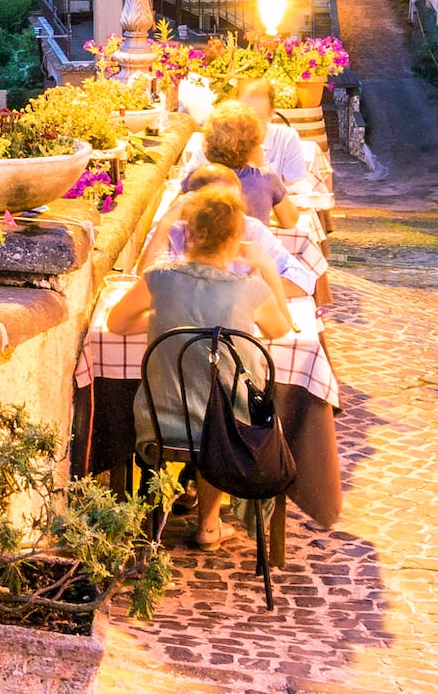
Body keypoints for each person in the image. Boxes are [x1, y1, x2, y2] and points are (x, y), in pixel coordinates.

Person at [106, 183, 294, 547]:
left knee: (206, 404)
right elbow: (281, 328)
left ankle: (153, 518)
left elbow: (117, 323)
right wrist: (266, 268)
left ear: (189, 232)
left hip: (162, 423)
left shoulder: (158, 279)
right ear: (236, 236)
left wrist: (168, 323)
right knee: (220, 407)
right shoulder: (249, 289)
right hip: (230, 432)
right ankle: (208, 525)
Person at [147, 164, 313, 300]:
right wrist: (165, 224)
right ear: (191, 203)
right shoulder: (172, 231)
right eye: (217, 205)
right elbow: (144, 280)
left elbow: (303, 281)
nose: (228, 212)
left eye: (233, 203)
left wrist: (236, 294)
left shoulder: (249, 229)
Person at [202, 102, 297, 228]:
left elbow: (176, 218)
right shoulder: (266, 179)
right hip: (254, 245)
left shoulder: (198, 177)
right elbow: (290, 221)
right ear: (255, 147)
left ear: (208, 143)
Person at [235, 78, 315, 191]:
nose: (249, 123)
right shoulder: (222, 138)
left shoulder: (286, 137)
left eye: (258, 118)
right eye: (243, 116)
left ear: (271, 114)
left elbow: (299, 184)